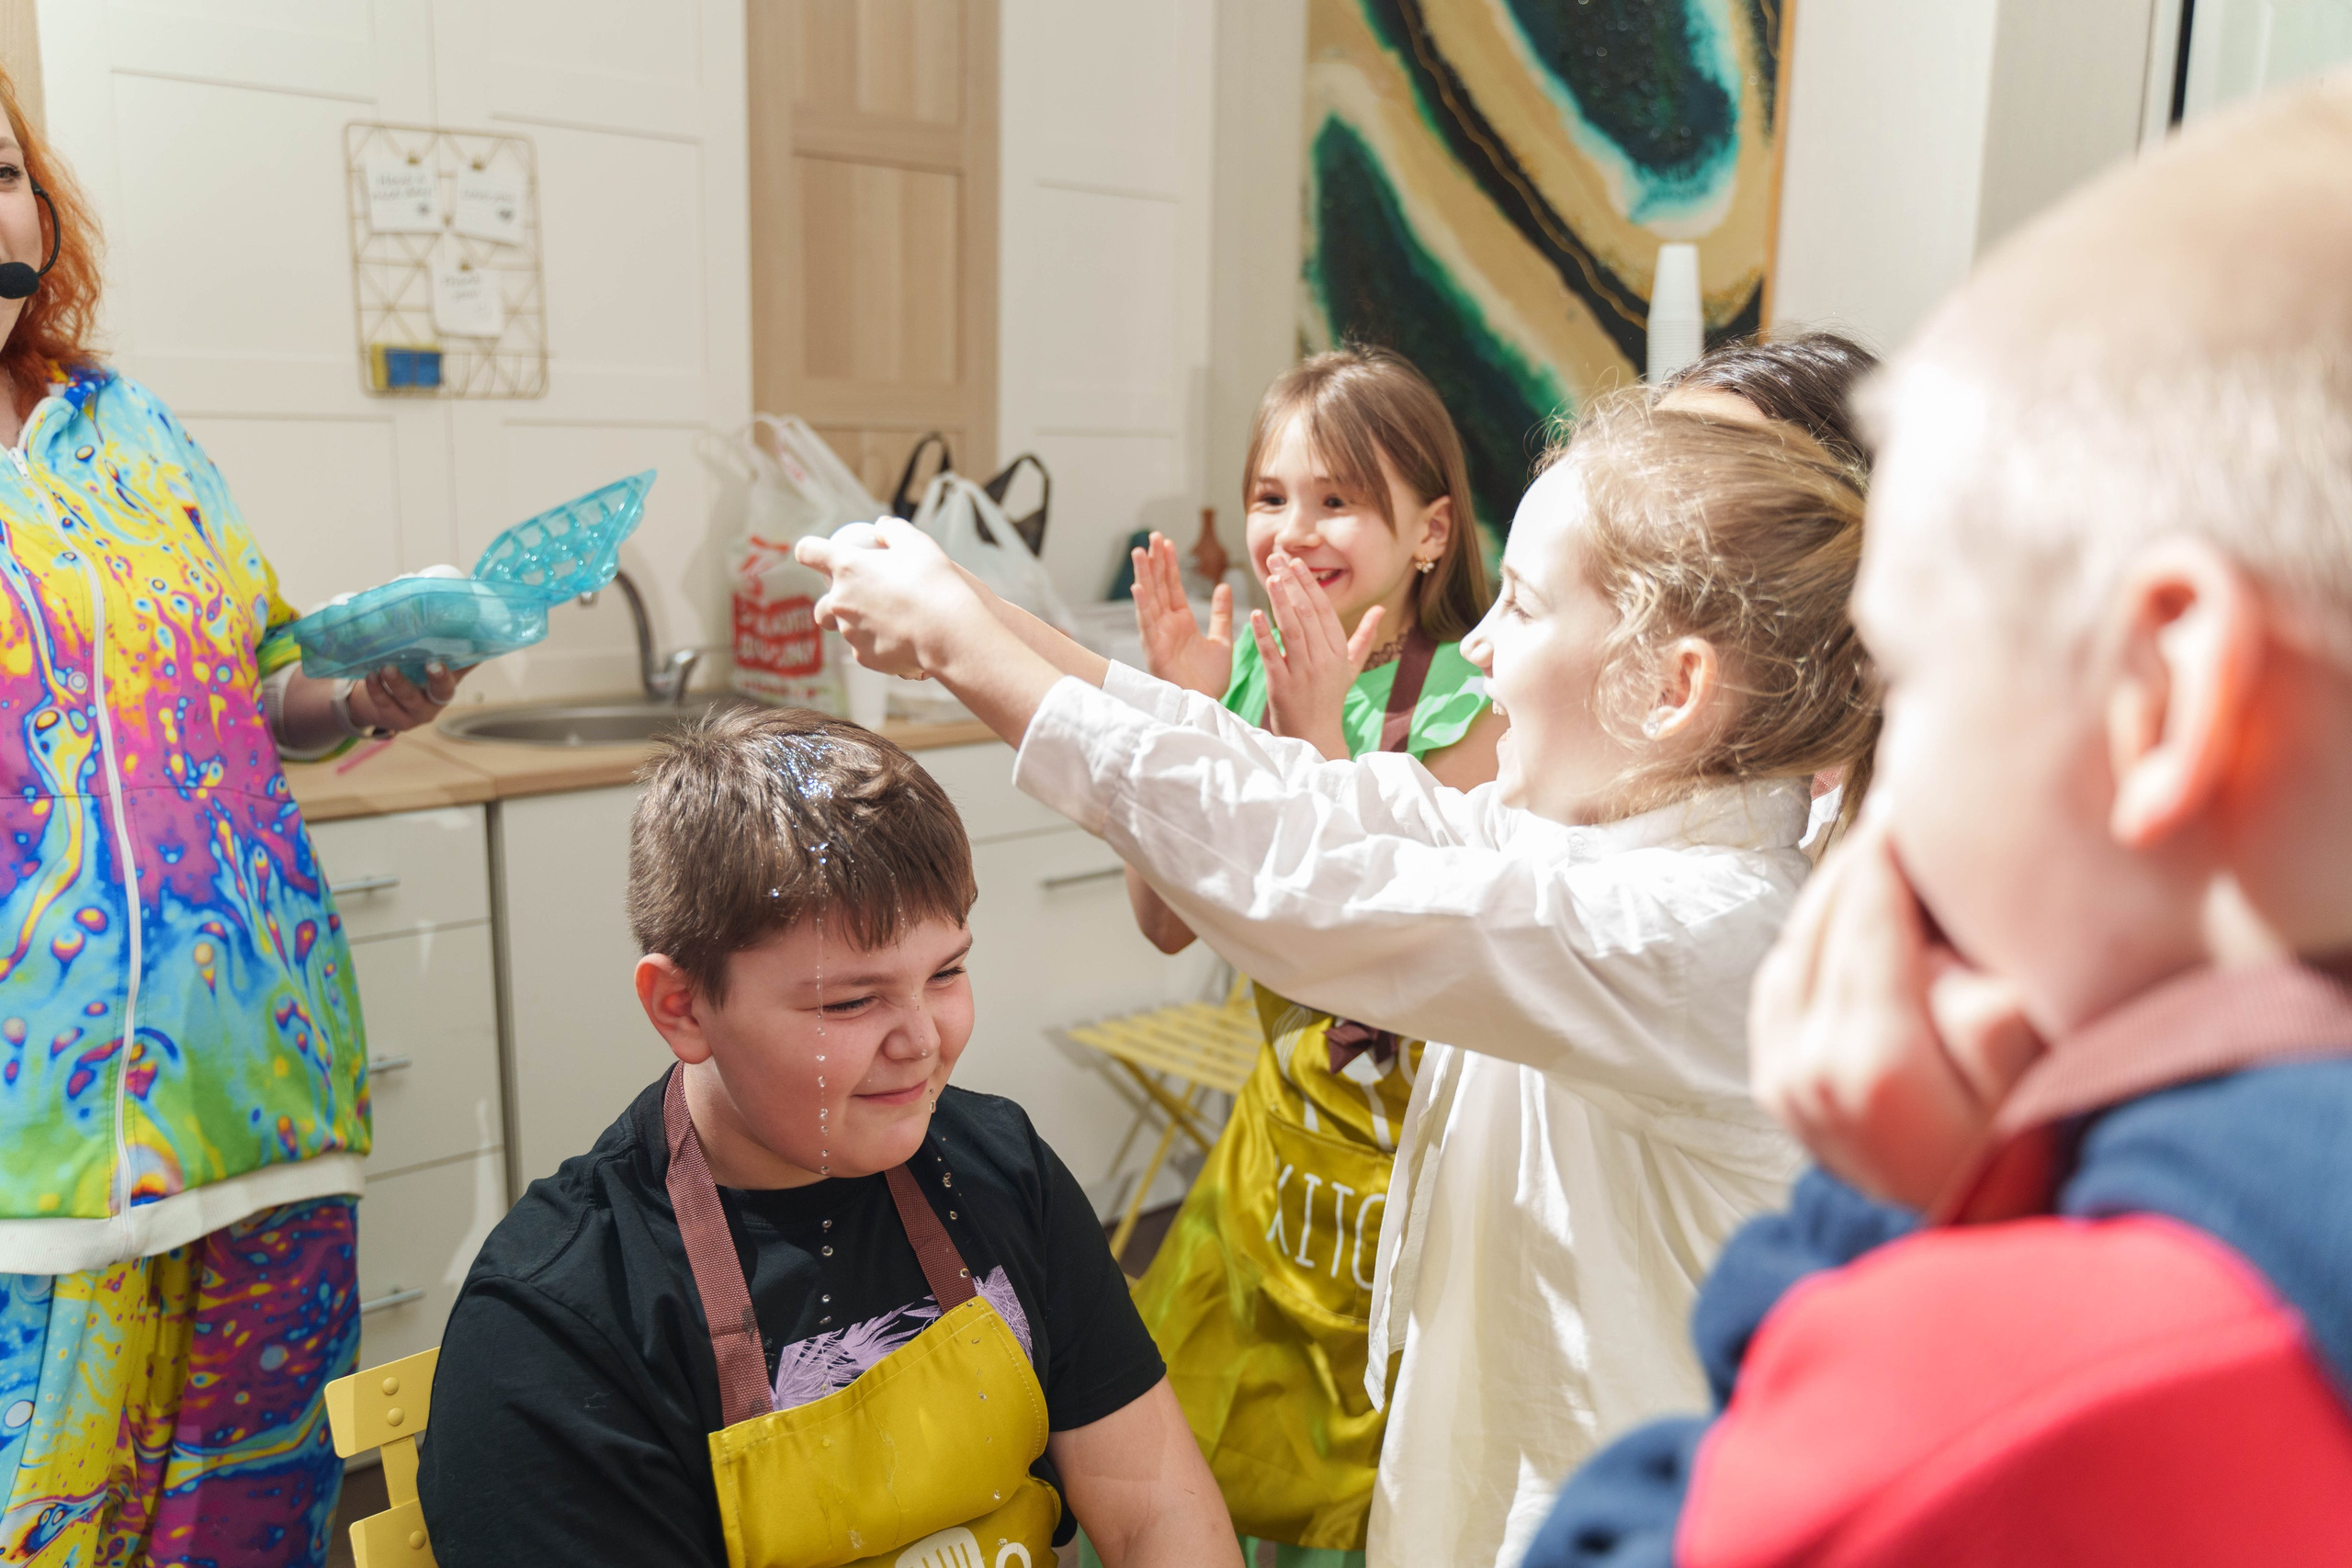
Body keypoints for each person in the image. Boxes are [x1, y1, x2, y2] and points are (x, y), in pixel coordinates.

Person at [796, 389, 1880, 1567]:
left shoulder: (1707, 933)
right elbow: (1291, 794)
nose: (1480, 643)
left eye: (1521, 605)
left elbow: (1300, 877)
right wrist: (970, 612)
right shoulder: (1599, 858)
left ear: (1671, 690)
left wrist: (959, 643)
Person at [1528, 73, 2352, 1566]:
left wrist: (1880, 1222)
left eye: (1903, 676)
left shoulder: (2030, 1385)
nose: (1878, 754)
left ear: (2164, 697)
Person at [416, 706, 1239, 1568]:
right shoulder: (559, 1327)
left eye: (947, 971)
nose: (923, 1040)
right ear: (683, 1007)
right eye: (849, 1001)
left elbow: (1156, 1514)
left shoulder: (1001, 1167)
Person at [0, 63, 461, 1565]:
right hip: (35, 1167)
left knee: (259, 1530)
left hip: (262, 1089)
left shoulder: (128, 431)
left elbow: (260, 683)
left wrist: (364, 690)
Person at [1113, 348, 1499, 1566]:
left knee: (1376, 1494)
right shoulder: (1241, 671)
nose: (1294, 528)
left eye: (1337, 499)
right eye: (1270, 495)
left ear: (1430, 530)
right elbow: (1165, 921)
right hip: (1269, 1164)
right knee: (1210, 1472)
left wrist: (1318, 732)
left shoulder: (1476, 703)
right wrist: (1189, 720)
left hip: (1416, 1183)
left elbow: (1377, 936)